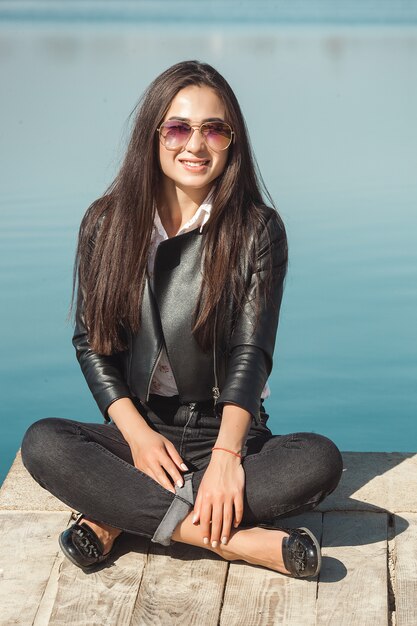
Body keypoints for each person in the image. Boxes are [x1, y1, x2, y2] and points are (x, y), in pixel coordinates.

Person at [21, 60, 343, 578]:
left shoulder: (258, 230)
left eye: (214, 129)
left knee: (318, 461)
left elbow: (251, 351)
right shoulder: (105, 223)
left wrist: (225, 455)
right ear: (153, 135)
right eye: (178, 127)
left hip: (225, 426)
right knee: (43, 443)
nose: (195, 145)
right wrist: (138, 436)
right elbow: (92, 343)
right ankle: (229, 541)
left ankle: (118, 516)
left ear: (232, 141)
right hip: (139, 429)